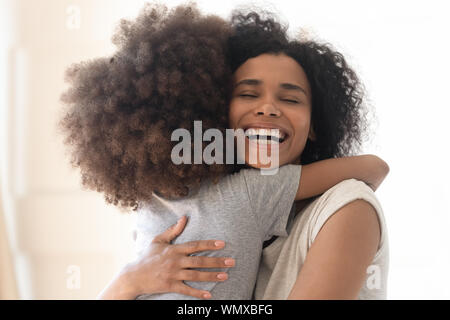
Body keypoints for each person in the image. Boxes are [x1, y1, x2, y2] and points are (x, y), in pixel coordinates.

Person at [58, 3, 389, 300]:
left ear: (316, 123)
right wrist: (128, 280)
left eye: (290, 99)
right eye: (247, 94)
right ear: (216, 114)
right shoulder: (231, 198)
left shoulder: (346, 206)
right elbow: (375, 167)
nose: (268, 109)